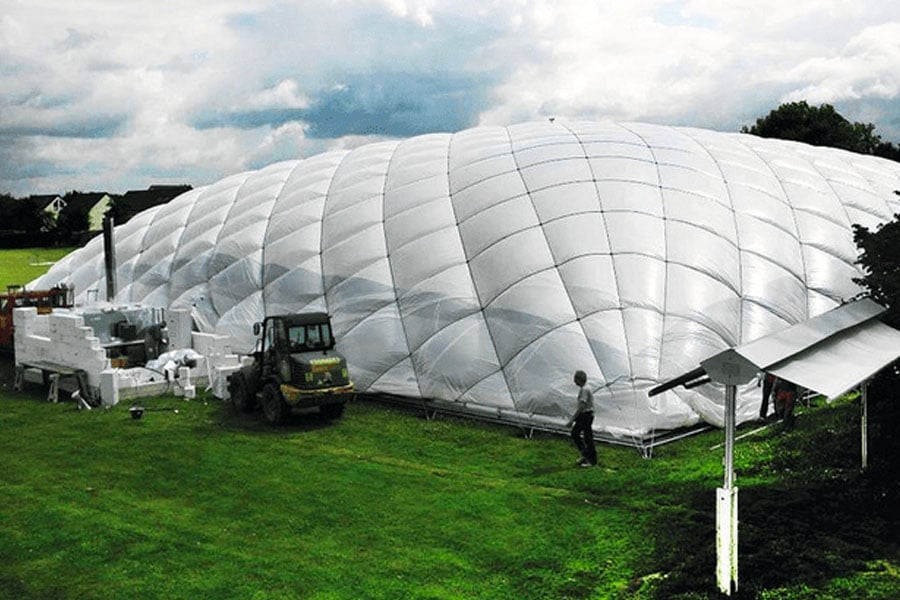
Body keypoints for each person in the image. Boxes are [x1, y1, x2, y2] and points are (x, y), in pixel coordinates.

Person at [567, 370, 597, 467]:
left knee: (584, 436)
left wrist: (573, 419)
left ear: (579, 380)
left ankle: (591, 459)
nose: (574, 381)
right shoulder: (586, 388)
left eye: (575, 379)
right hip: (587, 414)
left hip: (586, 415)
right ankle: (586, 455)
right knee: (582, 435)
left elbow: (582, 406)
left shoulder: (584, 390)